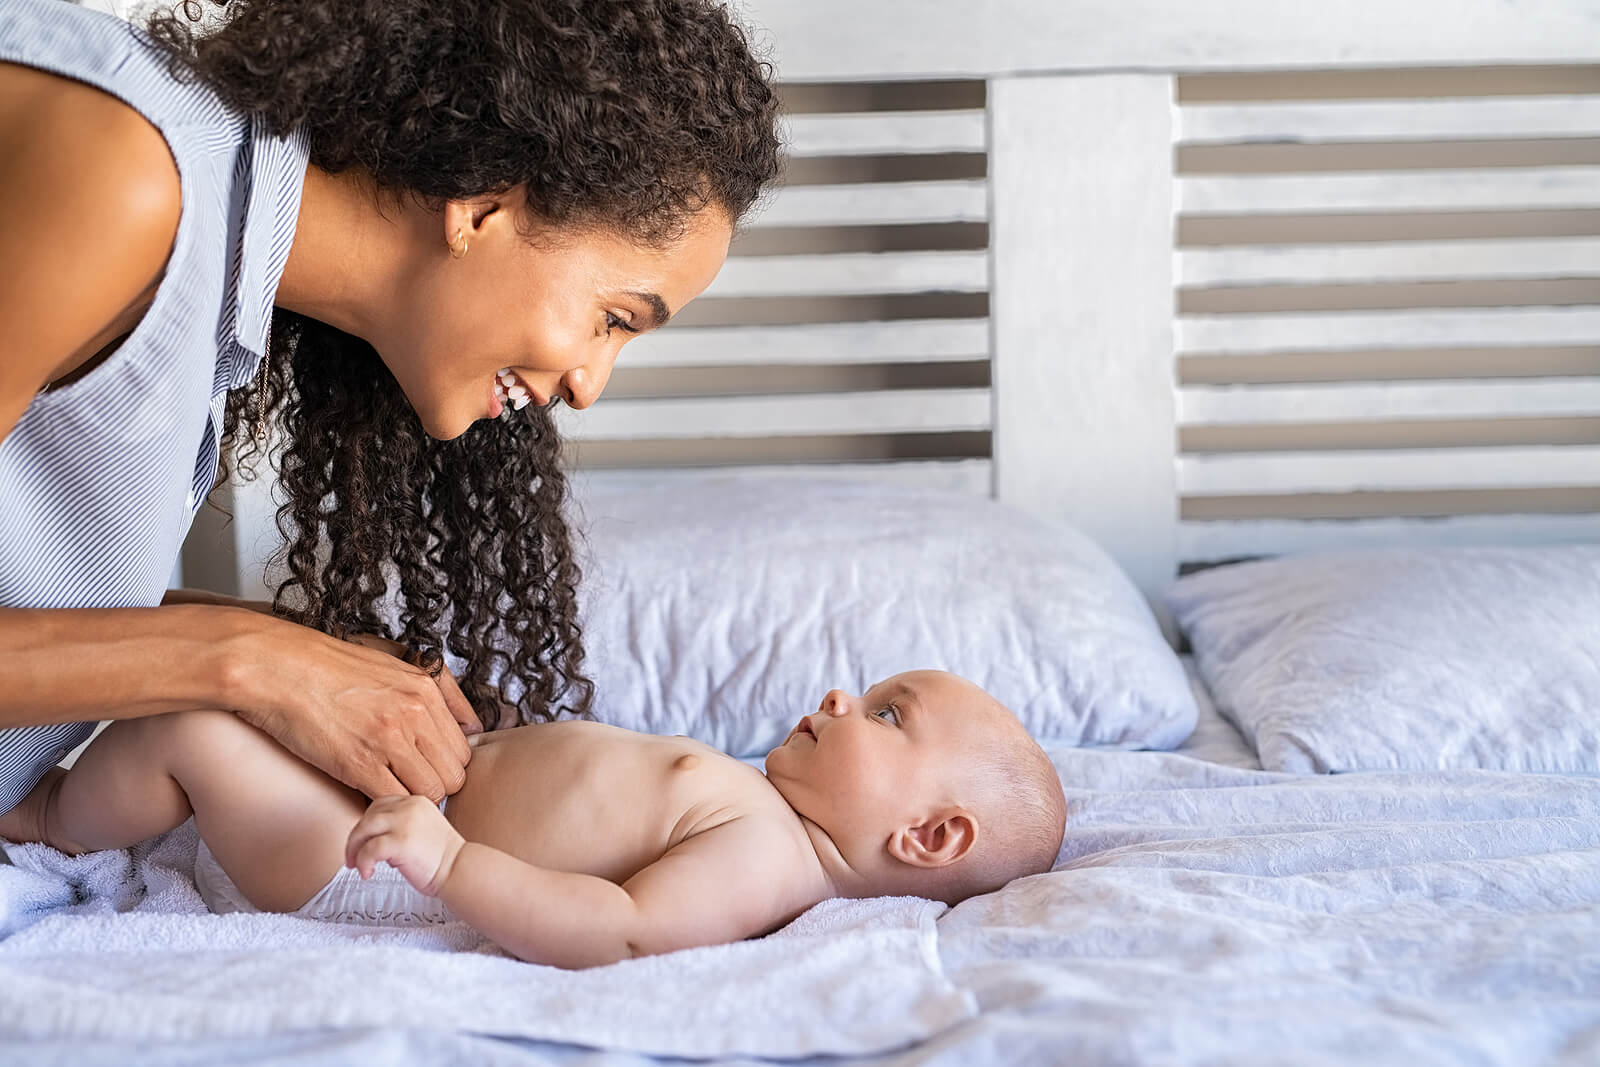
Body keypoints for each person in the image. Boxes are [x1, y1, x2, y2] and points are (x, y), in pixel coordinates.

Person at [0, 0, 782, 815]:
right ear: (482, 209)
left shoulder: (212, 239)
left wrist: (308, 656)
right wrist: (248, 661)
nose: (589, 384)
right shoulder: (121, 173)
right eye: (613, 318)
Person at [0, 670, 1068, 969]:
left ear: (929, 838)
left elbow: (620, 926)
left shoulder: (767, 856)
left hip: (365, 871)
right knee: (275, 698)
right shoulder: (763, 798)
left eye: (885, 713)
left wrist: (451, 857)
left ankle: (41, 814)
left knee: (196, 719)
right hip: (409, 812)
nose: (840, 696)